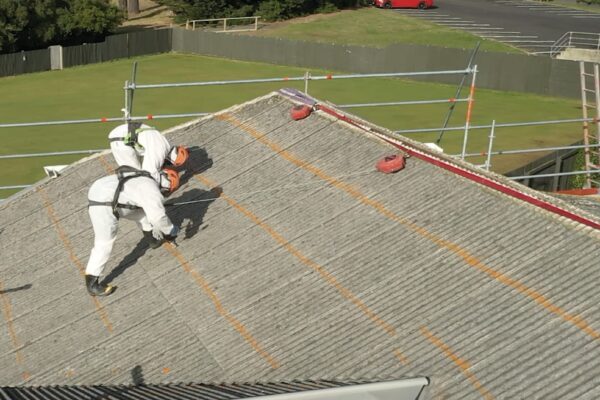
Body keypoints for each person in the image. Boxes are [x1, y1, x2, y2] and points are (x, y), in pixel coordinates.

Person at [84, 165, 180, 296]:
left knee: (142, 213)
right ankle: (92, 283)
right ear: (166, 187)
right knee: (104, 242)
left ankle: (152, 240)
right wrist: (171, 232)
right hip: (103, 202)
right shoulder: (152, 192)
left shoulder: (145, 178)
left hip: (103, 191)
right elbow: (158, 217)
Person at [108, 121, 189, 184]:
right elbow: (149, 172)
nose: (165, 165)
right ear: (169, 159)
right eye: (168, 163)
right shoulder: (160, 151)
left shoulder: (163, 143)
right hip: (121, 141)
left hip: (122, 134)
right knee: (136, 177)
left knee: (134, 175)